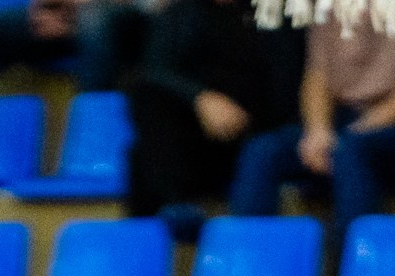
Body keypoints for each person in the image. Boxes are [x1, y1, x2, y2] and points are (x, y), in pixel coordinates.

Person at [229, 0, 395, 229]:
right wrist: (318, 131)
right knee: (262, 150)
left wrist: (360, 130)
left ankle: (349, 259)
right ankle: (249, 258)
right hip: (343, 122)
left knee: (351, 150)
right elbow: (316, 77)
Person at [126, 0, 308, 234]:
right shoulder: (183, 12)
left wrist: (234, 112)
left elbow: (285, 90)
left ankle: (175, 211)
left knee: (144, 159)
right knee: (149, 106)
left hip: (252, 128)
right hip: (192, 136)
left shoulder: (274, 15)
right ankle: (171, 210)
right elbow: (154, 72)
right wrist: (200, 98)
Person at [0, 0, 139, 98]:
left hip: (120, 19)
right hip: (61, 14)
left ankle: (93, 127)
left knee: (94, 22)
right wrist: (44, 8)